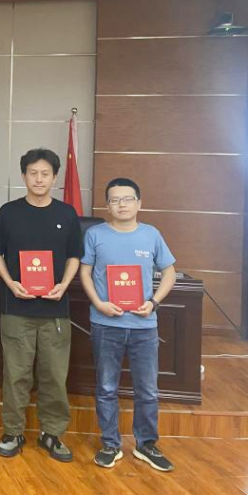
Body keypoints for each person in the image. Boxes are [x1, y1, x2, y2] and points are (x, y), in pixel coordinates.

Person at [0, 148, 82, 462]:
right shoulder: (9, 212)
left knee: (54, 375)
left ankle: (51, 433)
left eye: (45, 174)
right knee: (16, 374)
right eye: (33, 173)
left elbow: (74, 256)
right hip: (16, 308)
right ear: (23, 176)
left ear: (54, 177)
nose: (39, 179)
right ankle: (13, 431)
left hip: (55, 310)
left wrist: (64, 284)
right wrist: (10, 282)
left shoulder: (66, 213)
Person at [80, 177, 177, 472]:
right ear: (107, 205)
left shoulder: (151, 234)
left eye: (127, 199)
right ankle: (110, 444)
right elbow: (85, 273)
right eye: (114, 200)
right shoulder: (95, 234)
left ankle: (146, 444)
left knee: (147, 390)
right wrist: (99, 303)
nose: (121, 205)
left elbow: (170, 272)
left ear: (139, 203)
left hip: (144, 327)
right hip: (105, 324)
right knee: (106, 387)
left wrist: (154, 302)